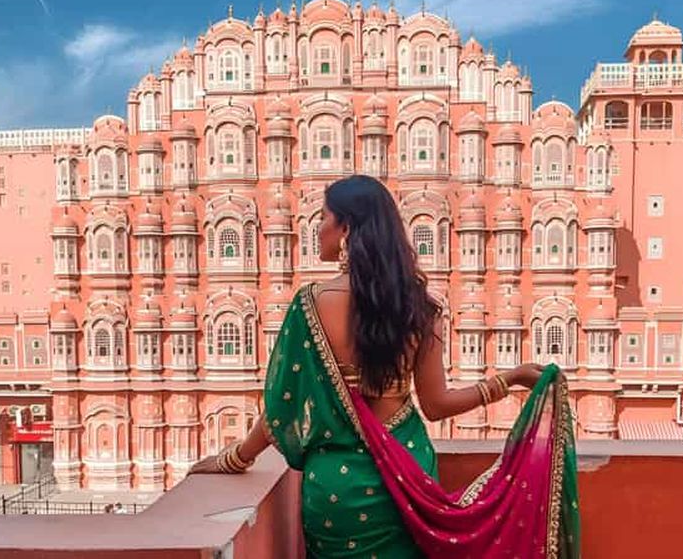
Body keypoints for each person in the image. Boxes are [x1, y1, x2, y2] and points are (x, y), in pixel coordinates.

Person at [189, 175, 580, 558]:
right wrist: (506, 380)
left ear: (346, 227)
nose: (317, 229)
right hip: (407, 478)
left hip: (336, 490)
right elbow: (436, 405)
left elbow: (281, 409)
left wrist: (235, 459)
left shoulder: (311, 305)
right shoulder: (418, 307)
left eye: (324, 217)